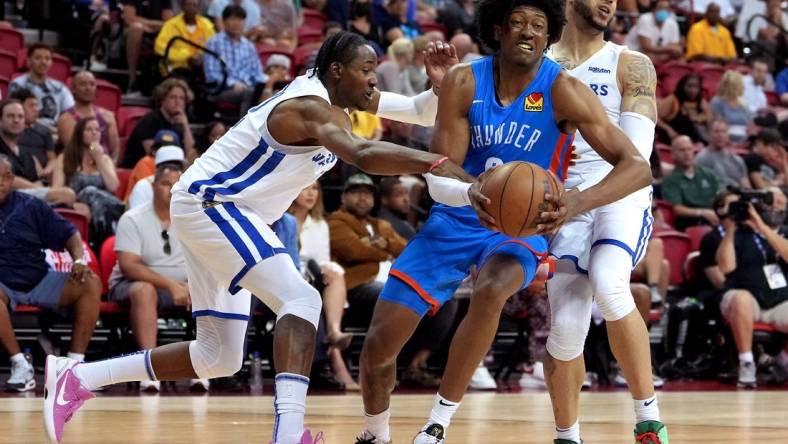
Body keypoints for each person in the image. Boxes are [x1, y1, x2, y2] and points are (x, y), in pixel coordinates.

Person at [42, 31, 470, 444]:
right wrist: (433, 162)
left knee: (218, 357)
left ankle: (76, 378)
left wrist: (441, 88)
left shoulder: (344, 94)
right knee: (303, 300)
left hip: (225, 212)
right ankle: (288, 434)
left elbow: (420, 109)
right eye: (368, 68)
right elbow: (361, 154)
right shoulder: (307, 107)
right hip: (214, 203)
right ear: (337, 70)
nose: (375, 78)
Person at [356, 0, 654, 442]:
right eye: (517, 23)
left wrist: (574, 203)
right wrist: (471, 192)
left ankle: (438, 423)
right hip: (456, 216)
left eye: (538, 25)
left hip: (521, 228)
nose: (527, 32)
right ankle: (374, 434)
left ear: (550, 34)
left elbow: (637, 166)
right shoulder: (462, 81)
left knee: (495, 288)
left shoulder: (564, 88)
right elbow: (439, 175)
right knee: (379, 347)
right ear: (497, 29)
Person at [545, 0, 668, 441]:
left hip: (621, 193)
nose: (609, 2)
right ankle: (566, 435)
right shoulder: (537, 63)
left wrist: (583, 199)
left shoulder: (631, 64)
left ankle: (648, 418)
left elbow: (637, 157)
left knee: (610, 281)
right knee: (565, 326)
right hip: (563, 201)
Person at [0, 154, 102, 392]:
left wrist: (77, 259)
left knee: (90, 283)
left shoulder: (30, 206)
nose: (1, 182)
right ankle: (19, 364)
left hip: (38, 278)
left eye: (6, 177)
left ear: (12, 179)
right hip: (3, 285)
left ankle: (74, 367)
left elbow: (70, 234)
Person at [108, 160, 193, 392]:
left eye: (177, 185)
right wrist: (170, 285)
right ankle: (148, 367)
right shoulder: (133, 218)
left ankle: (201, 369)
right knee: (144, 291)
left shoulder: (192, 219)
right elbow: (129, 266)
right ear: (153, 185)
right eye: (166, 184)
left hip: (183, 286)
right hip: (131, 285)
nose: (171, 190)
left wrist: (194, 284)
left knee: (210, 288)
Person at [711, 188, 788, 387]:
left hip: (778, 301)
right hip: (745, 300)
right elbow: (726, 267)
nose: (776, 206)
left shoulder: (784, 232)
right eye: (771, 201)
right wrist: (730, 229)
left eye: (780, 201)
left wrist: (761, 227)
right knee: (741, 299)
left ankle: (782, 358)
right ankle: (747, 362)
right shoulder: (738, 233)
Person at [51, 117, 125, 246]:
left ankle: (102, 239)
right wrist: (74, 204)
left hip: (104, 210)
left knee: (93, 194)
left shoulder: (105, 159)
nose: (94, 132)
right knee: (89, 191)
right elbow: (57, 189)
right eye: (89, 129)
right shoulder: (65, 158)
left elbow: (113, 187)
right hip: (77, 207)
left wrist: (98, 158)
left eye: (97, 129)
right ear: (79, 133)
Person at [0, 100, 76, 207]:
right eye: (10, 116)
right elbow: (7, 179)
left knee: (82, 208)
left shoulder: (26, 153)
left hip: (27, 198)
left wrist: (42, 188)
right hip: (8, 198)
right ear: (1, 120)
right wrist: (43, 190)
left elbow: (38, 180)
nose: (16, 120)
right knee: (66, 194)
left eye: (20, 117)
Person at [204, 4, 268, 116]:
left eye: (240, 19)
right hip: (222, 90)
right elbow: (211, 75)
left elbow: (257, 73)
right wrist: (232, 84)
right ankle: (245, 131)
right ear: (224, 21)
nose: (237, 23)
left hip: (248, 88)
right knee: (249, 94)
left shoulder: (249, 46)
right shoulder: (214, 42)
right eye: (233, 19)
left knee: (270, 93)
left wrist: (267, 84)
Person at [123, 78, 196, 167]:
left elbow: (191, 155)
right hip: (141, 168)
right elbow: (154, 155)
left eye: (182, 98)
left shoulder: (180, 122)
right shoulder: (150, 120)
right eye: (173, 97)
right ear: (162, 99)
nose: (178, 102)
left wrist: (186, 126)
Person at [57, 71, 121, 163]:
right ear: (73, 89)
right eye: (83, 84)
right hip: (79, 168)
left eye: (92, 84)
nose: (88, 88)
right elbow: (75, 152)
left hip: (107, 167)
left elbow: (115, 151)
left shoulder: (108, 116)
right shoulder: (66, 119)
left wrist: (110, 169)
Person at [7, 43, 75, 129]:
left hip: (56, 133)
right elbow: (14, 115)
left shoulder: (60, 88)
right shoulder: (17, 85)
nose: (43, 62)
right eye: (38, 58)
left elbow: (71, 114)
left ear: (51, 63)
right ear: (28, 61)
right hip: (26, 130)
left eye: (47, 59)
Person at [662, 136, 721, 231]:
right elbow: (678, 209)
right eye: (682, 150)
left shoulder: (708, 174)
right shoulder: (671, 180)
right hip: (690, 220)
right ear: (673, 154)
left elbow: (720, 197)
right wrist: (702, 212)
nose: (687, 153)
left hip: (714, 215)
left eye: (689, 149)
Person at [122, 0, 174, 92]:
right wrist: (152, 24)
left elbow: (168, 22)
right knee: (136, 28)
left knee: (171, 33)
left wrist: (148, 24)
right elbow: (129, 19)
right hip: (132, 31)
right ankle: (132, 81)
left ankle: (167, 80)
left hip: (156, 31)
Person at [154, 0, 215, 73]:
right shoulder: (171, 24)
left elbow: (214, 47)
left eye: (194, 5)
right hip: (177, 68)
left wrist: (201, 57)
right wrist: (186, 56)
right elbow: (159, 47)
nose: (191, 8)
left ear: (198, 8)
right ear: (182, 7)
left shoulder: (206, 25)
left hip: (203, 68)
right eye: (188, 5)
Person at [9, 88, 56, 181]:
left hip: (43, 175)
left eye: (36, 105)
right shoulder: (9, 130)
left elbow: (52, 158)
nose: (36, 110)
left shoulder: (44, 131)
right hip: (18, 174)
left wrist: (46, 171)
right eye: (31, 106)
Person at [695, 119, 750, 189]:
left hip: (740, 195)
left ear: (728, 135)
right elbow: (702, 187)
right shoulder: (701, 159)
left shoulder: (737, 160)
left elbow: (746, 185)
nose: (720, 135)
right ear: (709, 134)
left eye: (723, 131)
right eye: (716, 132)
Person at [656, 73, 711, 144]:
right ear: (682, 86)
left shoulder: (700, 100)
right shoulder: (673, 99)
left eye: (695, 87)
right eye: (689, 86)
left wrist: (698, 118)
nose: (692, 90)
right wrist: (669, 130)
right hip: (673, 135)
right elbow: (656, 118)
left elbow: (709, 117)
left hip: (693, 136)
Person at [623, 0, 681, 64]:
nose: (663, 11)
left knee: (679, 58)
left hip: (658, 55)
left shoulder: (672, 23)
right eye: (660, 8)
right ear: (654, 9)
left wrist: (673, 51)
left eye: (666, 9)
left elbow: (674, 46)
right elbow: (647, 47)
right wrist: (668, 50)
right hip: (634, 54)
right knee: (650, 57)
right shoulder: (645, 19)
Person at [710, 72, 753, 142]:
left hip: (745, 138)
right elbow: (717, 125)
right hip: (725, 139)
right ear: (733, 87)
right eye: (741, 85)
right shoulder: (717, 102)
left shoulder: (743, 103)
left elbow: (750, 121)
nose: (744, 87)